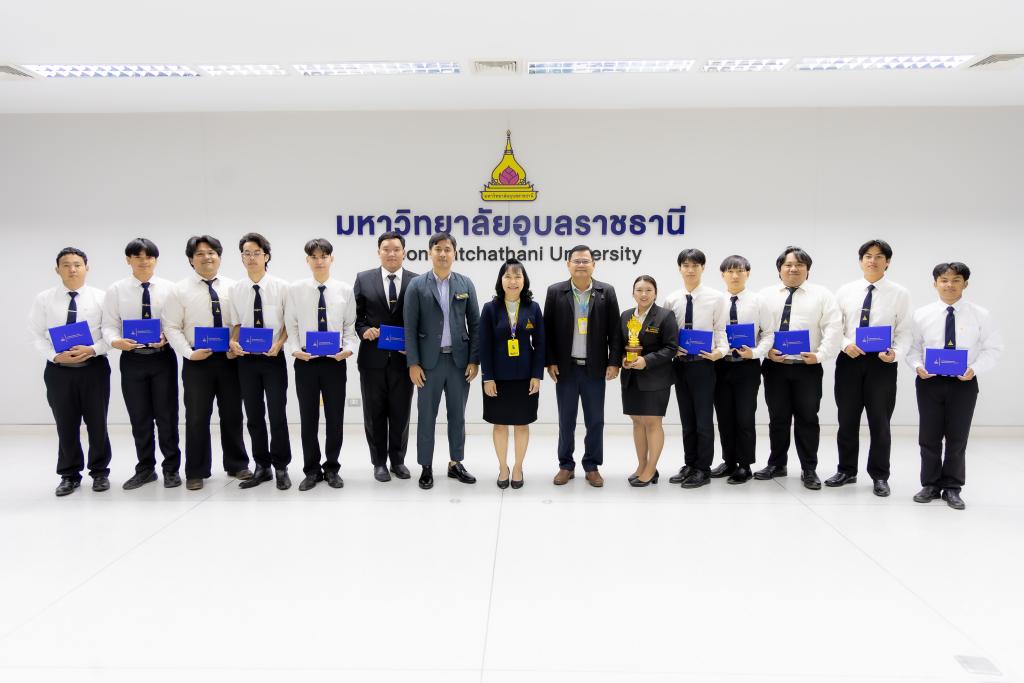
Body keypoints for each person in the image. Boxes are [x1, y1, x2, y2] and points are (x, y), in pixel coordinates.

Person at [908, 262, 1002, 510]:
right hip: (929, 382)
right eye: (944, 280)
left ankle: (952, 487)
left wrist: (975, 369)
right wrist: (917, 366)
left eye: (956, 280)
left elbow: (993, 348)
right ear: (935, 283)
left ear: (965, 284)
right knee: (928, 436)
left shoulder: (981, 315)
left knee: (957, 437)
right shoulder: (921, 314)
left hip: (964, 382)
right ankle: (930, 484)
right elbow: (912, 348)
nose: (949, 285)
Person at [164, 235, 251, 491]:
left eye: (212, 252)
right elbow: (171, 326)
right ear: (191, 260)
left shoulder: (234, 287)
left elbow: (239, 322)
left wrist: (235, 343)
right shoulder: (179, 290)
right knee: (197, 417)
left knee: (233, 414)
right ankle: (196, 471)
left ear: (220, 257)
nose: (207, 257)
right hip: (197, 362)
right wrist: (188, 353)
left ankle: (237, 464)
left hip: (229, 360)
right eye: (200, 254)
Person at [828, 239, 911, 497]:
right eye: (867, 256)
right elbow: (834, 327)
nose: (872, 260)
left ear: (888, 262)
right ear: (860, 260)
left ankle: (880, 475)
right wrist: (845, 345)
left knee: (880, 422)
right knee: (847, 419)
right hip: (850, 360)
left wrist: (895, 353)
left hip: (881, 363)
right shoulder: (845, 291)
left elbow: (904, 331)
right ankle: (846, 470)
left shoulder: (900, 294)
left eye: (878, 256)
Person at [755, 246, 842, 490]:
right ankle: (776, 464)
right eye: (788, 265)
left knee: (807, 418)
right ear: (779, 269)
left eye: (799, 265)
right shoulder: (764, 295)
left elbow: (833, 328)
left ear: (808, 270)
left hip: (807, 367)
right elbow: (757, 328)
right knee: (778, 417)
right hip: (775, 366)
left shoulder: (822, 295)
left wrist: (820, 355)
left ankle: (809, 468)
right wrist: (766, 351)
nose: (793, 269)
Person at [30, 247, 113, 496]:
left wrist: (93, 349)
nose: (72, 269)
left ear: (87, 267)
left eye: (77, 264)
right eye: (66, 265)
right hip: (59, 371)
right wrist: (55, 356)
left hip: (93, 368)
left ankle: (100, 472)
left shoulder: (101, 298)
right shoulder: (44, 299)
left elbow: (111, 333)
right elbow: (36, 335)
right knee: (66, 423)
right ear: (57, 270)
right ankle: (69, 474)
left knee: (97, 422)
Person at [101, 238, 181, 490]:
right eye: (138, 256)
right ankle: (145, 469)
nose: (144, 261)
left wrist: (167, 336)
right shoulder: (116, 290)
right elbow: (109, 325)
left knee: (167, 416)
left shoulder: (170, 289)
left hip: (162, 358)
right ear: (129, 260)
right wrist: (116, 341)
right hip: (132, 359)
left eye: (149, 256)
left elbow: (176, 323)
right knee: (140, 417)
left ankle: (171, 469)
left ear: (156, 260)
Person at [404, 232, 480, 490]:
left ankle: (455, 463)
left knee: (457, 416)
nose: (443, 253)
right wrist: (413, 363)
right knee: (426, 416)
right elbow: (409, 326)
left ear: (454, 253)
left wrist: (474, 360)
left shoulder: (465, 284)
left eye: (448, 249)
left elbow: (475, 324)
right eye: (438, 249)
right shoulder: (417, 285)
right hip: (428, 364)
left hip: (459, 363)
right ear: (430, 253)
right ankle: (426, 467)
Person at [543, 245, 622, 488]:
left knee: (595, 420)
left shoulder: (606, 291)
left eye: (585, 261)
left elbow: (615, 332)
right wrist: (550, 361)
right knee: (566, 421)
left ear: (593, 265)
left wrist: (614, 362)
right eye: (576, 261)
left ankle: (592, 466)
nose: (580, 265)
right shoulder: (555, 291)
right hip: (566, 369)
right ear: (568, 265)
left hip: (594, 369)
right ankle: (566, 465)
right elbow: (547, 331)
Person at [284, 238, 358, 492]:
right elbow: (291, 324)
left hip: (335, 362)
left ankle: (332, 468)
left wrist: (348, 348)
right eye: (314, 257)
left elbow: (349, 326)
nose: (319, 261)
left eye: (324, 256)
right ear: (307, 260)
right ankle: (312, 470)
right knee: (308, 418)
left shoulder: (345, 290)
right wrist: (295, 349)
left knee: (335, 418)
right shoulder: (295, 289)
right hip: (306, 361)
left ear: (331, 259)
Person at [229, 232, 292, 490]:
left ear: (266, 256)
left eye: (257, 253)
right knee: (254, 415)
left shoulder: (282, 287)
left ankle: (281, 467)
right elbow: (236, 324)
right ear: (242, 258)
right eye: (247, 253)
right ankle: (262, 466)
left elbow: (289, 323)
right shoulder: (236, 289)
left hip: (273, 359)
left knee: (277, 415)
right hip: (246, 361)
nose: (251, 257)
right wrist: (233, 343)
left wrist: (279, 344)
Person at [353, 231, 418, 482]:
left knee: (401, 413)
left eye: (396, 249)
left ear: (404, 252)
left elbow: (421, 320)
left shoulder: (416, 281)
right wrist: (364, 331)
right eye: (386, 249)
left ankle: (398, 461)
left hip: (404, 360)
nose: (391, 253)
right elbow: (356, 317)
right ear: (378, 252)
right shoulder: (363, 279)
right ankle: (379, 462)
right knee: (374, 413)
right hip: (372, 359)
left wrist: (414, 346)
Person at [479, 259, 545, 489]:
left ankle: (517, 467)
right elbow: (484, 345)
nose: (513, 281)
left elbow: (540, 344)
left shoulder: (533, 308)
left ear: (524, 281)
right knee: (499, 425)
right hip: (497, 378)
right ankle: (503, 467)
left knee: (522, 424)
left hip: (526, 377)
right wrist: (487, 377)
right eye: (508, 276)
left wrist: (537, 375)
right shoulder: (490, 308)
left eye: (517, 276)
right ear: (501, 280)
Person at [664, 249, 727, 489]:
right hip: (680, 365)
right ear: (679, 268)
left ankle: (703, 468)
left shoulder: (716, 298)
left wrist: (719, 351)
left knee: (703, 420)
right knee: (687, 419)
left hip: (704, 364)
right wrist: (672, 350)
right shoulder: (672, 299)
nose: (690, 270)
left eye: (695, 265)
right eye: (686, 265)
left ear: (703, 268)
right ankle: (689, 464)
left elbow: (720, 330)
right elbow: (668, 334)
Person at [711, 255, 775, 484]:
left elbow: (768, 334)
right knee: (724, 417)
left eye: (740, 271)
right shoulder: (716, 301)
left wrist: (755, 353)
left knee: (745, 417)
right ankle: (729, 461)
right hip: (720, 365)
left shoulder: (758, 301)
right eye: (730, 271)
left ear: (748, 273)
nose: (735, 275)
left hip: (747, 366)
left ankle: (745, 465)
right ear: (722, 275)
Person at [620, 276, 678, 487]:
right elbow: (619, 344)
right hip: (631, 378)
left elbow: (671, 348)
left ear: (655, 293)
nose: (643, 294)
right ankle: (642, 464)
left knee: (652, 422)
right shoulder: (626, 315)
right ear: (633, 292)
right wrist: (622, 360)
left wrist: (646, 361)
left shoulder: (665, 315)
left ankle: (651, 468)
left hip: (656, 377)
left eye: (648, 290)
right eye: (639, 290)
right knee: (637, 421)